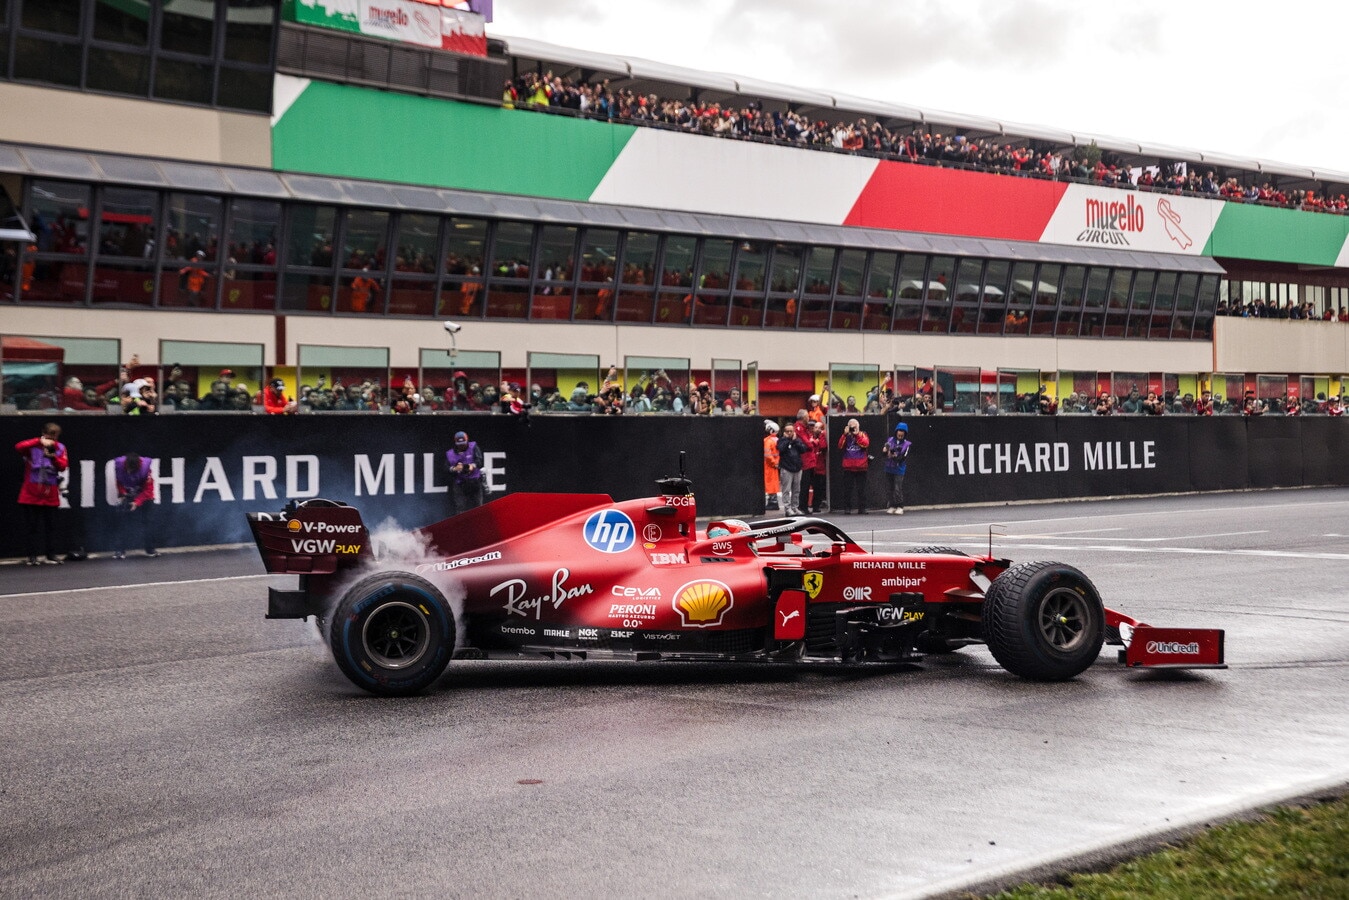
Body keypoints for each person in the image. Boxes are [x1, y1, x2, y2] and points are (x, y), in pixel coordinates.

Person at [15, 422, 68, 565]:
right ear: (44, 434)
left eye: (55, 437)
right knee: (32, 526)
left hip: (50, 492)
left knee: (51, 526)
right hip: (31, 492)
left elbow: (63, 466)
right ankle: (32, 556)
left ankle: (51, 554)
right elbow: (18, 447)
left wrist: (53, 457)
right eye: (50, 436)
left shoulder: (60, 448)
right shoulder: (32, 446)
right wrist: (39, 441)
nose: (53, 439)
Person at [112, 453, 157, 559]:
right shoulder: (119, 465)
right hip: (128, 494)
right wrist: (122, 493)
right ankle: (120, 551)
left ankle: (150, 549)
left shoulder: (146, 470)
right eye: (127, 468)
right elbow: (119, 482)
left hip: (144, 496)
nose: (128, 472)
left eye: (131, 470)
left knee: (148, 523)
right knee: (122, 524)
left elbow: (148, 490)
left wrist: (137, 502)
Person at [445, 430, 485, 514]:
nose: (462, 446)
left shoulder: (473, 447)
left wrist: (472, 466)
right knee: (461, 508)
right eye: (460, 445)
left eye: (464, 444)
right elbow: (446, 468)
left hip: (474, 481)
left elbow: (480, 461)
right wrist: (455, 469)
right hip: (460, 483)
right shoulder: (450, 454)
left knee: (478, 507)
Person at [837, 417, 871, 514]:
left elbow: (865, 444)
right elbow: (840, 446)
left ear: (858, 427)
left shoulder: (863, 434)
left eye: (854, 427)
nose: (853, 429)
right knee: (848, 489)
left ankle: (862, 508)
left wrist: (857, 435)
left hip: (861, 467)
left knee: (862, 489)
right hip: (848, 467)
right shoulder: (846, 436)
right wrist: (844, 434)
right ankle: (847, 508)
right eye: (851, 427)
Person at [776, 422, 807, 517]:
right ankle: (787, 508)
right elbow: (781, 449)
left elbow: (803, 449)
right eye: (787, 431)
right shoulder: (781, 441)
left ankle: (795, 507)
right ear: (784, 432)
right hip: (787, 468)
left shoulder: (797, 440)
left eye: (791, 431)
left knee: (797, 489)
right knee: (786, 490)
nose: (789, 433)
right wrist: (787, 440)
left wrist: (795, 441)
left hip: (797, 468)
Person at [883, 422, 912, 515]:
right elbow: (884, 454)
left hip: (899, 469)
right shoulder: (890, 440)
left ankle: (900, 506)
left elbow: (902, 458)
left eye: (903, 432)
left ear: (905, 433)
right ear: (896, 432)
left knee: (897, 488)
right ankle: (892, 505)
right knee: (889, 488)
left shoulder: (907, 445)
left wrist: (894, 456)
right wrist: (885, 452)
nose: (901, 433)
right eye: (899, 431)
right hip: (889, 468)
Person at [762, 419, 780, 512]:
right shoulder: (777, 440)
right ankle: (773, 501)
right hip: (774, 465)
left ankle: (773, 502)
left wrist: (773, 463)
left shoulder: (768, 441)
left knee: (770, 484)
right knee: (773, 483)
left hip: (769, 465)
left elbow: (767, 455)